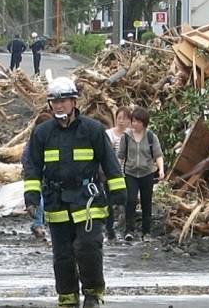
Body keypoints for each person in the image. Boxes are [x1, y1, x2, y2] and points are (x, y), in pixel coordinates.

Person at [23, 77, 127, 308]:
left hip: (87, 200)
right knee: (62, 254)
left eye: (63, 101)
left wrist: (119, 196)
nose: (59, 106)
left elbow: (110, 164)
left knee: (89, 247)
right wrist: (31, 197)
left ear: (73, 102)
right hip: (56, 202)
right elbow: (32, 168)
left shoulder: (92, 130)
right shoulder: (42, 133)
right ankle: (67, 295)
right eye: (54, 102)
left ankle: (93, 293)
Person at [117, 106, 165, 242]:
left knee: (146, 202)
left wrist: (161, 169)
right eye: (133, 121)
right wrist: (116, 171)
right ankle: (129, 230)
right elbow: (120, 156)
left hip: (147, 173)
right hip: (130, 173)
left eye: (138, 121)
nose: (135, 124)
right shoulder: (126, 137)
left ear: (144, 122)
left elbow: (158, 155)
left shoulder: (151, 137)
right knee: (131, 200)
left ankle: (146, 232)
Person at [20, 111, 53, 239]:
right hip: (35, 177)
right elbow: (26, 158)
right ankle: (37, 224)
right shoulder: (34, 142)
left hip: (48, 176)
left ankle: (41, 223)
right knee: (38, 200)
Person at [103, 107, 131, 241]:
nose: (121, 121)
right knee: (109, 201)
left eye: (124, 118)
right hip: (111, 174)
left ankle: (127, 229)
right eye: (119, 118)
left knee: (127, 201)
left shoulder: (132, 135)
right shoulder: (108, 134)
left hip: (128, 173)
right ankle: (109, 230)